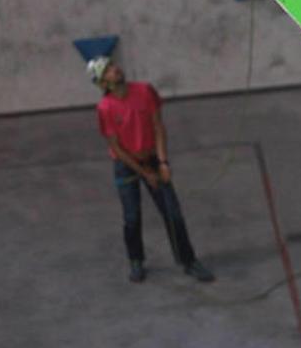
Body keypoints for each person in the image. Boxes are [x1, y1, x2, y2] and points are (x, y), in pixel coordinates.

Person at [87, 56, 214, 283]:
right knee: (132, 217)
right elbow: (117, 147)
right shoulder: (105, 108)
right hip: (126, 165)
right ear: (103, 82)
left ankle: (188, 260)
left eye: (113, 66)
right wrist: (145, 173)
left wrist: (163, 163)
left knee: (172, 213)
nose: (115, 70)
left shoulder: (145, 91)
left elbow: (158, 127)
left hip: (152, 158)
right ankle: (136, 261)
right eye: (108, 70)